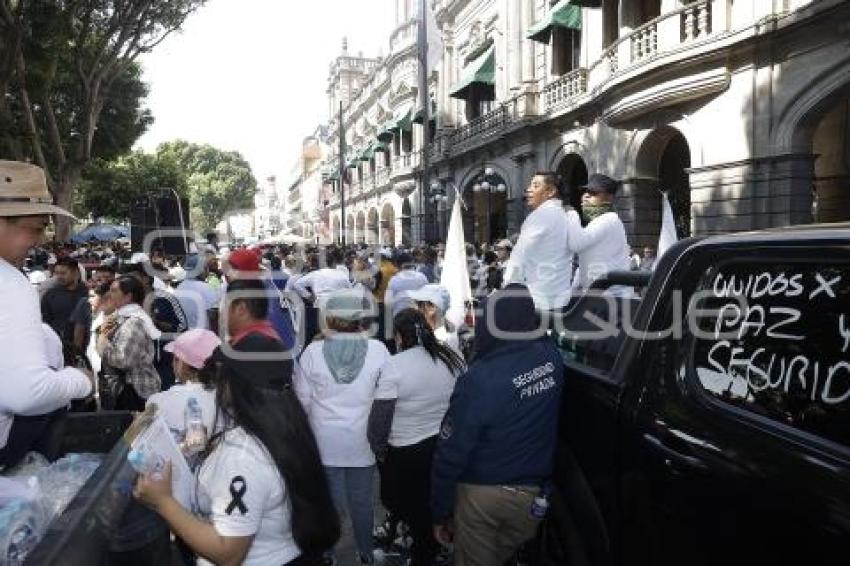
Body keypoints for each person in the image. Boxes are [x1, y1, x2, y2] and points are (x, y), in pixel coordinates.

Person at [134, 278, 340, 565]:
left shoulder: (243, 455)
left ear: (240, 387)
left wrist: (163, 502)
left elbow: (229, 552)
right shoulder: (287, 430)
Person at [431, 284, 564, 566]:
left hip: (483, 498)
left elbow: (452, 451)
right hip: (531, 500)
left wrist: (440, 510)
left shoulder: (480, 379)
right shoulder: (552, 359)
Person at [0, 160, 92, 468]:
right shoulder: (8, 282)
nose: (40, 240)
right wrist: (79, 380)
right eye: (36, 228)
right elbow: (28, 394)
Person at [294, 289, 391, 565]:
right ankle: (365, 554)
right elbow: (387, 398)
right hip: (363, 440)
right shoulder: (378, 350)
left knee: (330, 504)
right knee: (363, 503)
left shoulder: (312, 352)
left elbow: (303, 401)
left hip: (325, 441)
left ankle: (329, 555)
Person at [369, 309, 466, 566]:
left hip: (406, 453)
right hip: (445, 445)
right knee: (434, 504)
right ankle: (432, 544)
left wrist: (379, 451)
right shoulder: (452, 356)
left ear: (399, 336)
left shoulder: (394, 366)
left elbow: (379, 422)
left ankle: (420, 549)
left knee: (411, 508)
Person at [503, 172, 577, 311]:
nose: (529, 189)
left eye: (535, 185)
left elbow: (519, 256)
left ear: (550, 191)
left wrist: (508, 286)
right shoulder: (564, 215)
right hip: (560, 298)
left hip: (537, 300)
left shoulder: (539, 216)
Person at [96, 275, 162, 410]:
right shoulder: (121, 318)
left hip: (133, 390)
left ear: (128, 297)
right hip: (126, 388)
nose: (110, 294)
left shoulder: (134, 322)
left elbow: (123, 360)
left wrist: (102, 339)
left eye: (114, 291)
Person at [145, 328, 221, 441]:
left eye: (176, 359)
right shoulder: (229, 401)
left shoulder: (158, 403)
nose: (172, 364)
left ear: (182, 364)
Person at [566, 174, 632, 294]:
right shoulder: (596, 223)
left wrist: (572, 215)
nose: (586, 195)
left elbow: (576, 244)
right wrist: (571, 293)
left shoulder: (609, 219)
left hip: (612, 298)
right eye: (586, 191)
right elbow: (583, 264)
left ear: (609, 197)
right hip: (596, 296)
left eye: (593, 192)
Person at [41, 256, 88, 341]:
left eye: (63, 273)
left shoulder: (87, 292)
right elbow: (45, 324)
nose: (59, 276)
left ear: (75, 272)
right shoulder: (50, 295)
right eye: (57, 273)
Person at [406, 284, 460, 352]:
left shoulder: (441, 340)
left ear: (431, 308)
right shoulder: (445, 331)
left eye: (418, 304)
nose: (414, 308)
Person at [175, 254, 220, 330]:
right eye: (206, 268)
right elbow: (213, 316)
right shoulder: (205, 287)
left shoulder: (178, 288)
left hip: (186, 336)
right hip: (204, 336)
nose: (207, 272)